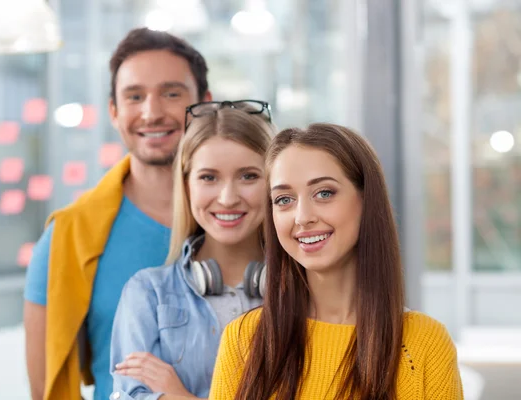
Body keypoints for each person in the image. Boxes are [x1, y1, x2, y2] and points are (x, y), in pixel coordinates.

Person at [209, 123, 464, 399]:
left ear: (366, 200)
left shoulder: (425, 344)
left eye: (324, 193)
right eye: (284, 199)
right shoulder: (243, 339)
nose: (302, 216)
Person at [23, 27, 211, 400]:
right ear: (113, 111)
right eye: (135, 96)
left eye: (172, 93)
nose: (152, 112)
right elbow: (46, 388)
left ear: (205, 102)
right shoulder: (67, 236)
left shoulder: (256, 220)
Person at [109, 100, 275, 400]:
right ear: (186, 185)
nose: (227, 198)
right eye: (208, 177)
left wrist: (180, 396)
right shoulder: (147, 293)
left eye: (249, 176)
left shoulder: (305, 291)